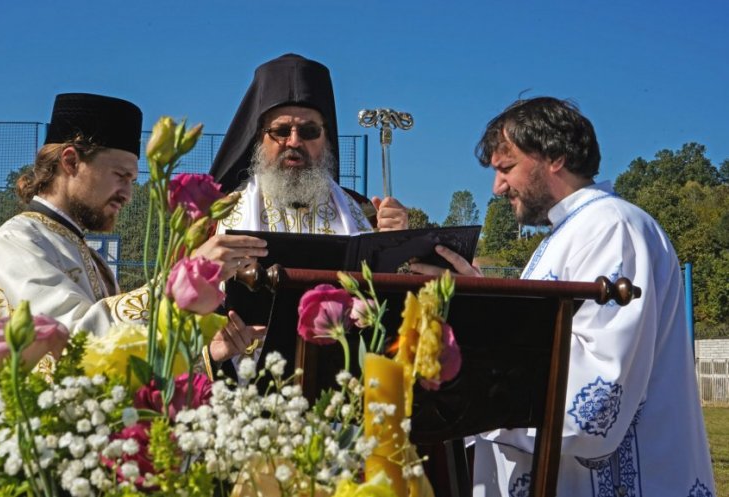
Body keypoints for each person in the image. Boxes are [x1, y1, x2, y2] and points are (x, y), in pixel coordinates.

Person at [412, 97, 715, 496]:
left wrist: (463, 402)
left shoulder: (611, 227)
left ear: (554, 156)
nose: (497, 187)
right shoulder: (570, 233)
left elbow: (596, 405)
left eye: (507, 168)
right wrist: (479, 303)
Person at [0, 94, 265, 455]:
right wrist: (180, 284)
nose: (127, 193)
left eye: (133, 179)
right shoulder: (18, 240)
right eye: (120, 176)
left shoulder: (88, 255)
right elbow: (77, 339)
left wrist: (205, 354)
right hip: (24, 461)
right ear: (71, 161)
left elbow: (114, 358)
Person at [201, 54, 409, 376]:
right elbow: (178, 313)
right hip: (243, 385)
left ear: (326, 138)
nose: (294, 142)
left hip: (340, 383)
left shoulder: (366, 214)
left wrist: (398, 246)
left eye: (309, 131)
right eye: (281, 130)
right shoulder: (216, 216)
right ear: (259, 138)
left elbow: (391, 310)